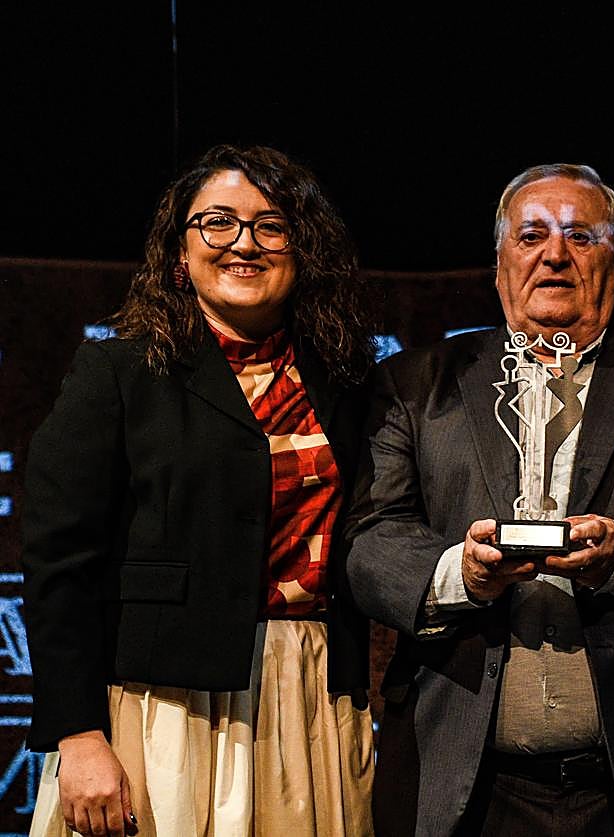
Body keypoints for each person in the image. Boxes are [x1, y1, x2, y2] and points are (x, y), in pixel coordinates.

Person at [343, 163, 614, 836]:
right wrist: (458, 574)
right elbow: (369, 538)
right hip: (466, 789)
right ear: (499, 264)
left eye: (580, 235)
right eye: (531, 236)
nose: (554, 253)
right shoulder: (416, 384)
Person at [21, 144, 376, 837]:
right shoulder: (120, 372)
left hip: (307, 700)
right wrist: (79, 734)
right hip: (160, 710)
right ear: (179, 254)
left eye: (271, 225)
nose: (244, 242)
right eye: (217, 222)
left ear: (303, 251)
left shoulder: (346, 382)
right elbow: (60, 567)